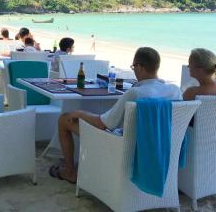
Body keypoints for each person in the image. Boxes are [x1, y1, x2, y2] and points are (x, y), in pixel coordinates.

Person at [51, 47, 182, 184]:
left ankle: (70, 172)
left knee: (64, 119)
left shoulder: (136, 93)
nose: (134, 70)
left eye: (133, 67)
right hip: (161, 144)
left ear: (140, 67)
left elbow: (103, 124)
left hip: (125, 145)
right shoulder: (174, 91)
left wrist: (79, 113)